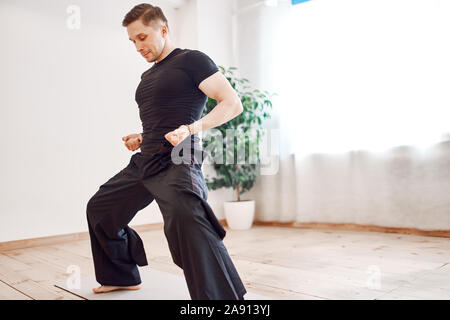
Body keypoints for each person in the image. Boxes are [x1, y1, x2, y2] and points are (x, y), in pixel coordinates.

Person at [85, 3, 247, 300]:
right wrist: (142, 136)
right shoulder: (147, 78)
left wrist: (191, 129)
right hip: (145, 159)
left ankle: (220, 299)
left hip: (178, 158)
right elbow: (163, 119)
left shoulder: (192, 60)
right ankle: (120, 275)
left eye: (142, 37)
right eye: (132, 41)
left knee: (188, 218)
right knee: (100, 209)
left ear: (163, 29)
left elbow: (232, 104)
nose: (137, 46)